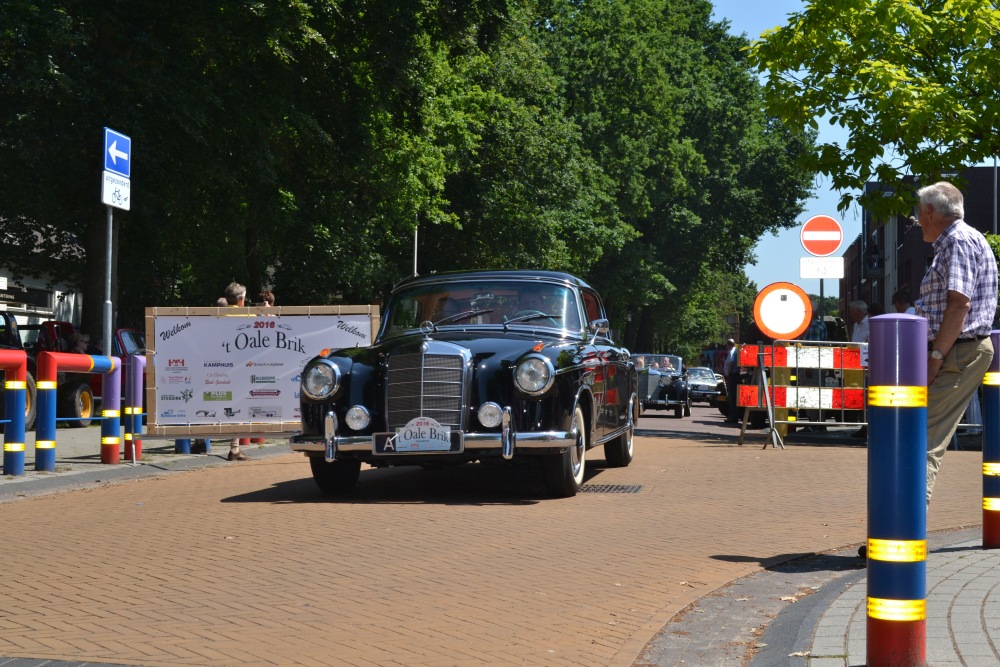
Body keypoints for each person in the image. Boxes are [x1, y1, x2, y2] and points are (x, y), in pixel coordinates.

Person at [914, 181, 997, 506]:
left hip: (956, 351)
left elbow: (959, 303)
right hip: (957, 349)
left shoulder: (957, 241)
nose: (917, 220)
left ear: (929, 211)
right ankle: (905, 521)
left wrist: (935, 357)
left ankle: (906, 524)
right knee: (922, 433)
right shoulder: (959, 239)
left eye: (918, 213)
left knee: (923, 437)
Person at [223, 282, 250, 461]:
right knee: (238, 405)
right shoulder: (247, 315)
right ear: (241, 299)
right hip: (239, 368)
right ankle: (234, 448)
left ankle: (199, 441)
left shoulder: (217, 315)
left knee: (207, 403)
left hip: (215, 366)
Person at [848, 300, 870, 438]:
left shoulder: (870, 324)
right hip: (855, 366)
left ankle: (867, 427)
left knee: (866, 396)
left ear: (858, 311)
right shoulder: (856, 325)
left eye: (852, 311)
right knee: (859, 396)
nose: (850, 314)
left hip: (866, 366)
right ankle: (863, 425)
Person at [723, 338, 740, 423]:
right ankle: (734, 416)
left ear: (728, 345)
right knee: (734, 397)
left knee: (732, 397)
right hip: (735, 376)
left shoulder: (732, 351)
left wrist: (728, 373)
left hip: (732, 376)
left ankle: (733, 417)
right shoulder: (736, 351)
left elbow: (731, 361)